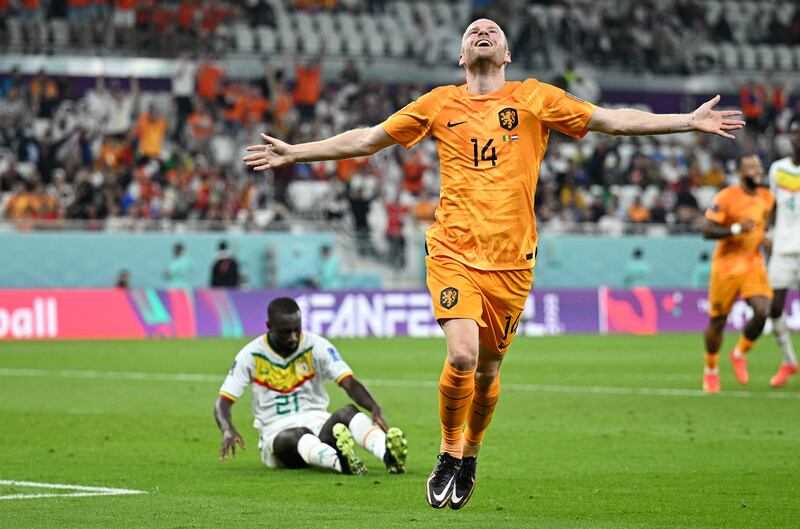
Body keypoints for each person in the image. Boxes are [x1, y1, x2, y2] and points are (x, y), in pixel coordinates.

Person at [243, 18, 743, 510]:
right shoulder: (439, 103)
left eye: (494, 31)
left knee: (486, 374)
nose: (483, 33)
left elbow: (611, 120)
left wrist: (686, 120)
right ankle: (447, 449)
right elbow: (369, 138)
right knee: (461, 356)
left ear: (506, 55)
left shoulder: (535, 98)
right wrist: (297, 154)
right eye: (472, 32)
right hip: (453, 251)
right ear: (462, 56)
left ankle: (471, 453)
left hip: (511, 263)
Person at [213, 297, 407, 475]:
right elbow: (223, 402)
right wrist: (227, 429)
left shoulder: (316, 346)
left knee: (348, 411)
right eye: (285, 332)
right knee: (300, 434)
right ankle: (342, 463)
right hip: (277, 434)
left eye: (297, 329)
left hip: (318, 423)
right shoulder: (251, 355)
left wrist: (374, 408)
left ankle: (388, 455)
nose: (293, 337)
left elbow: (348, 382)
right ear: (268, 326)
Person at [701, 154, 774, 394]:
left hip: (753, 263)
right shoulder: (726, 197)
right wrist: (735, 228)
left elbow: (759, 225)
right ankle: (711, 369)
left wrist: (764, 239)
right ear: (740, 173)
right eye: (751, 167)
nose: (757, 170)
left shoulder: (767, 197)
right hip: (726, 266)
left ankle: (739, 352)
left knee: (763, 311)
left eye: (759, 166)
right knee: (718, 321)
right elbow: (707, 230)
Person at [766, 121, 800, 388]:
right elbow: (771, 206)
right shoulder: (778, 169)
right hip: (783, 247)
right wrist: (765, 233)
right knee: (775, 306)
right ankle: (789, 360)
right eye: (796, 133)